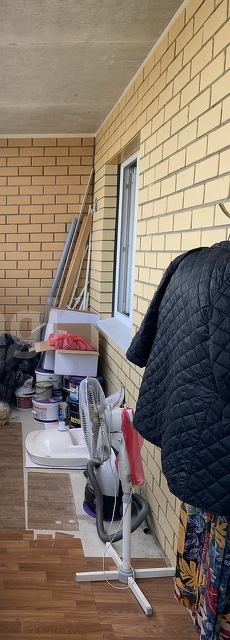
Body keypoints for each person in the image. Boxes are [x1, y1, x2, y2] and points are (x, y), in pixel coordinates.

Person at [126, 241, 230, 640]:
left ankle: (198, 611)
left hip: (189, 435)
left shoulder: (189, 261)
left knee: (205, 538)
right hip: (215, 445)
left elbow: (144, 343)